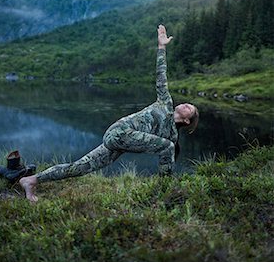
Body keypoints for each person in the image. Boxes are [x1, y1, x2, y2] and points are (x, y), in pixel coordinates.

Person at [20, 25, 199, 202]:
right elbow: (161, 76)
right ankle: (166, 193)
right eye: (187, 103)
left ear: (186, 120)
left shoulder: (172, 136)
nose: (185, 104)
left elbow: (169, 156)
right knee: (166, 146)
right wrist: (161, 47)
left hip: (120, 143)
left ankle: (31, 181)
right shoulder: (166, 103)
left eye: (189, 108)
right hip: (120, 132)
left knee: (79, 168)